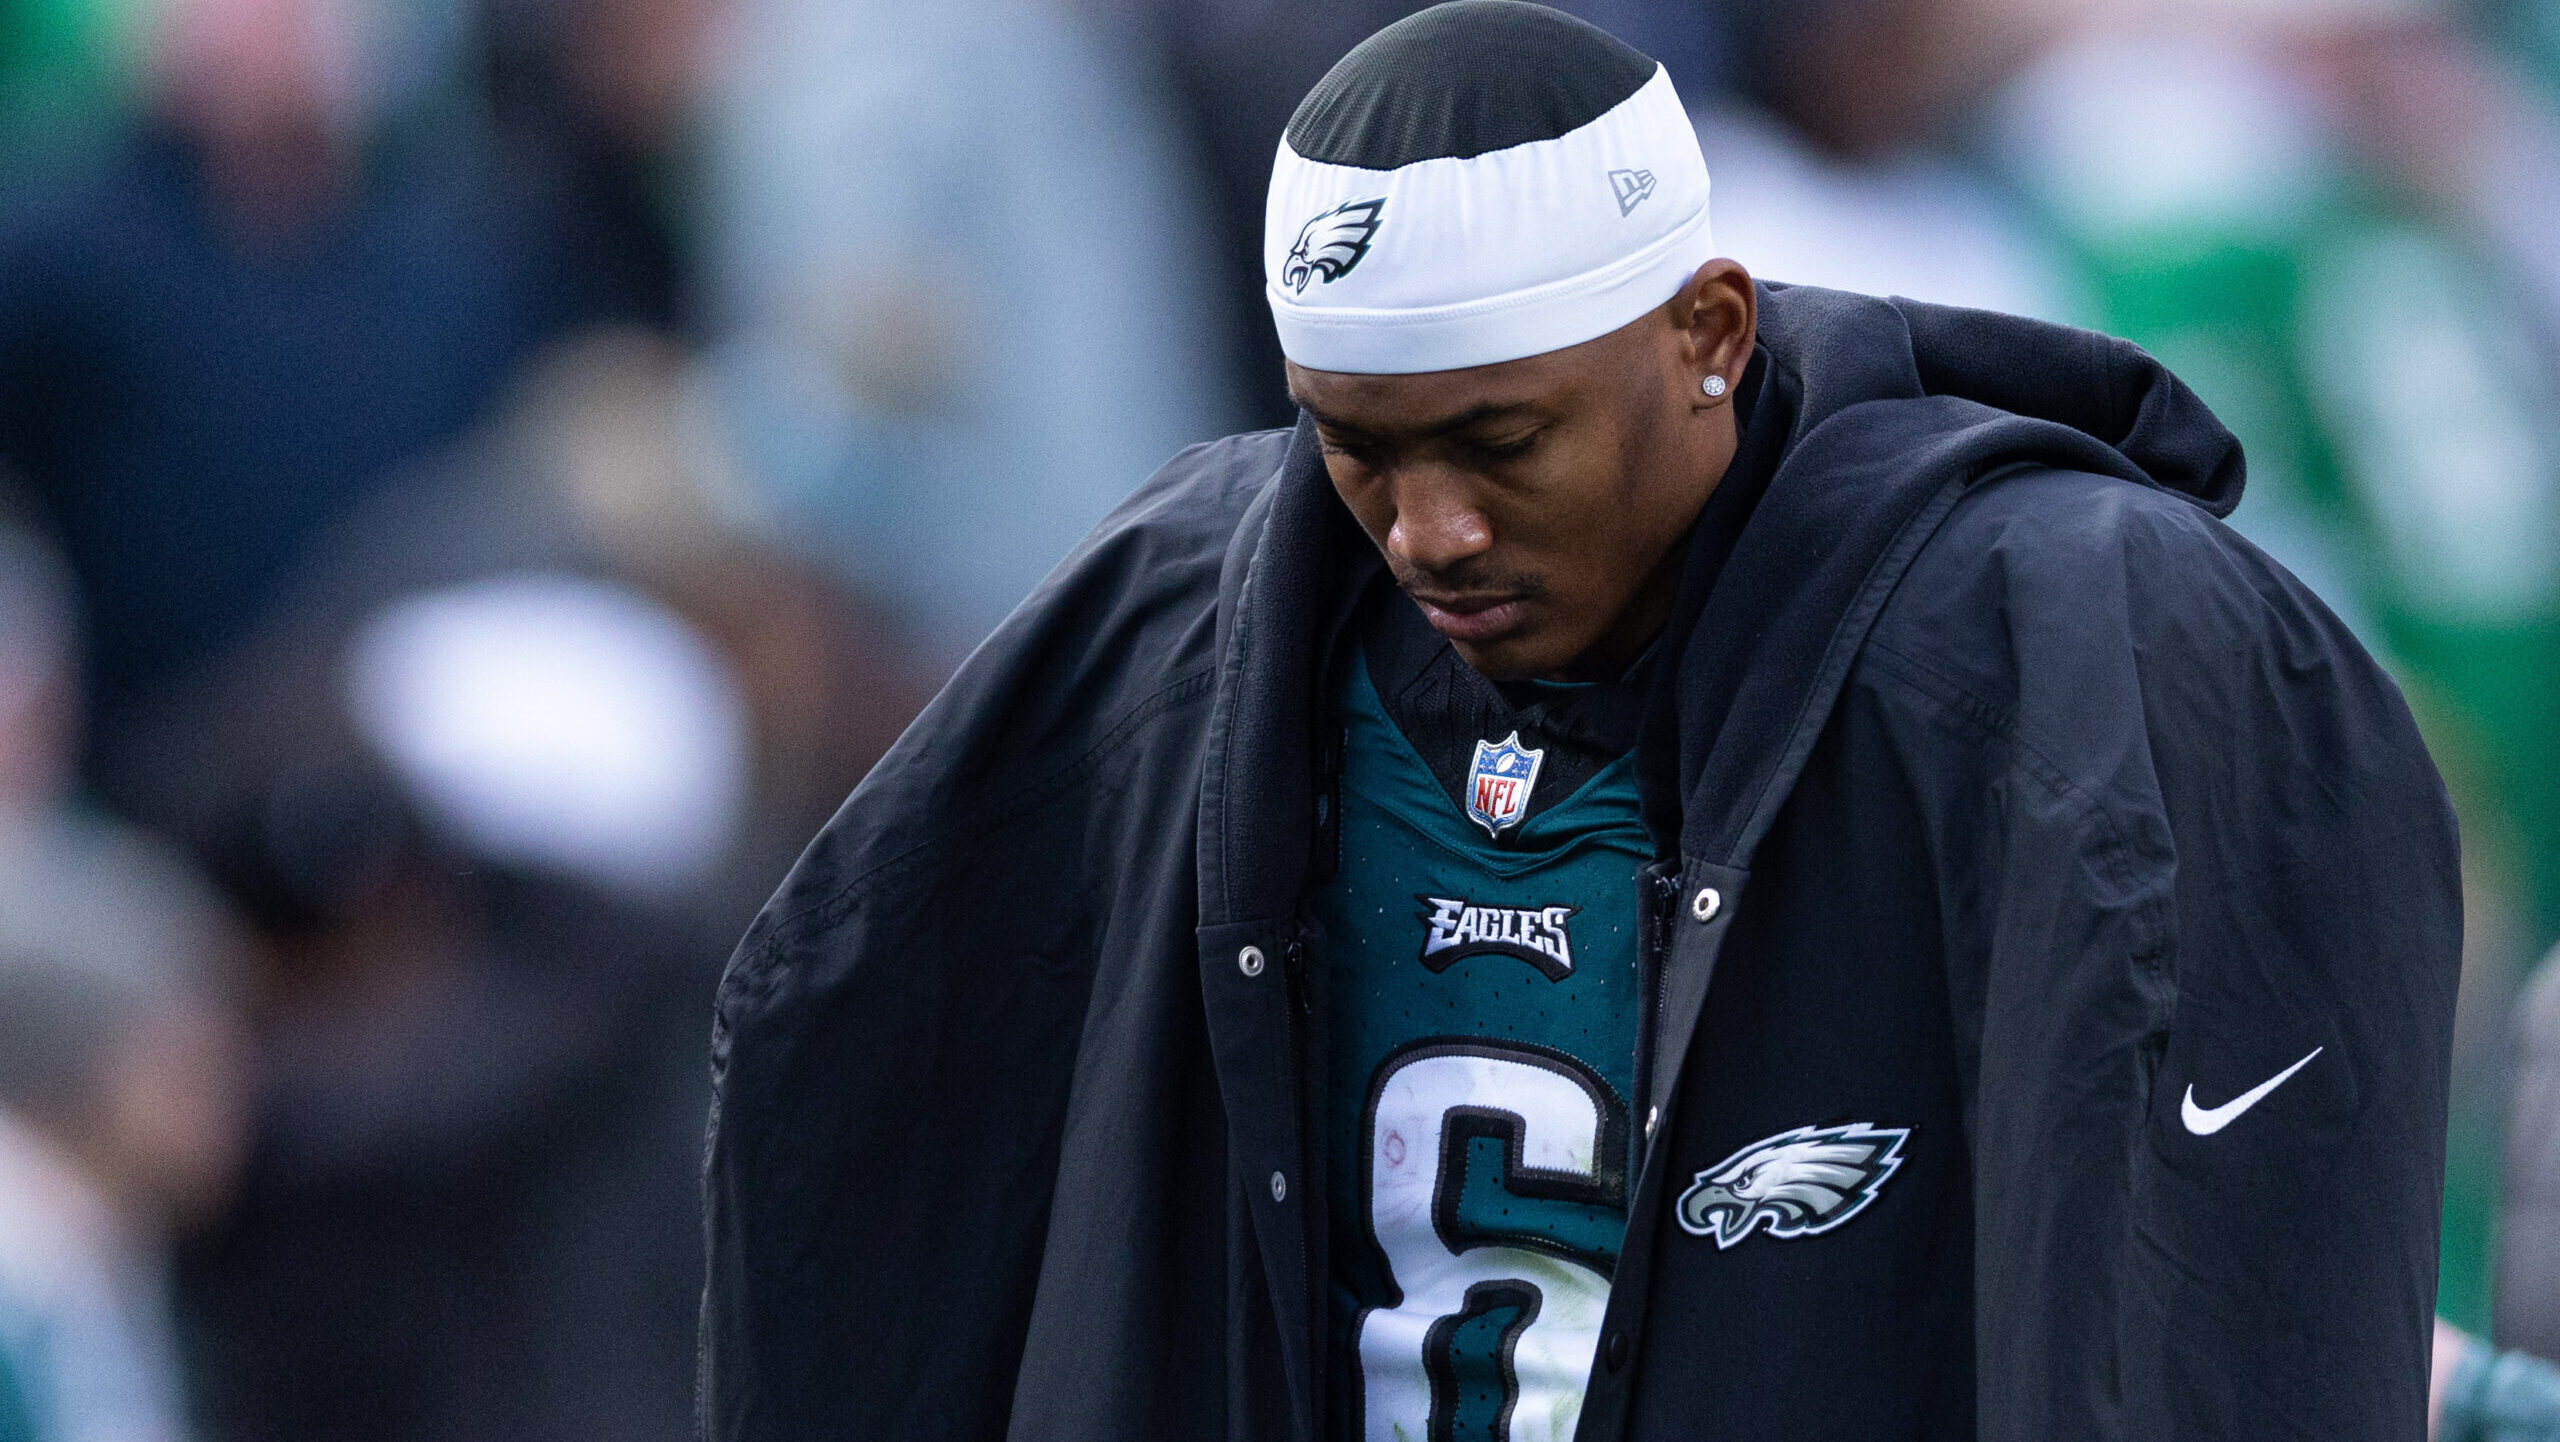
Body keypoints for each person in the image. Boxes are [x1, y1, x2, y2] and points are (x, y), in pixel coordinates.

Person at [699, 4, 2461, 1438]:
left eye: (1499, 442)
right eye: (1360, 446)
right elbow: (833, 1072)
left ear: (1706, 330)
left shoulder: (2057, 642)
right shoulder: (1186, 624)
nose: (1427, 532)